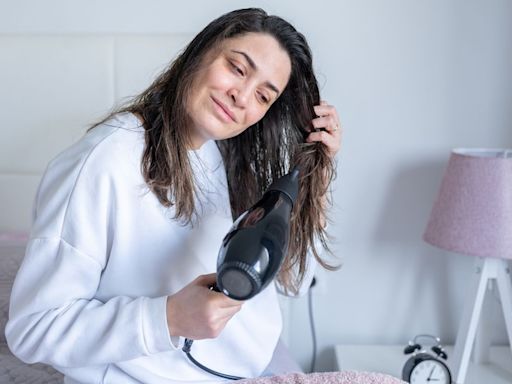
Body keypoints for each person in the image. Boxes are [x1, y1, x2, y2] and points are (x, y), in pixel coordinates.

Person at [6, 8, 341, 384]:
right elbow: (33, 329)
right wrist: (167, 318)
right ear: (200, 52)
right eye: (237, 68)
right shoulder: (106, 161)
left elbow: (289, 282)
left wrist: (316, 179)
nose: (242, 96)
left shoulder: (228, 158)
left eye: (263, 96)